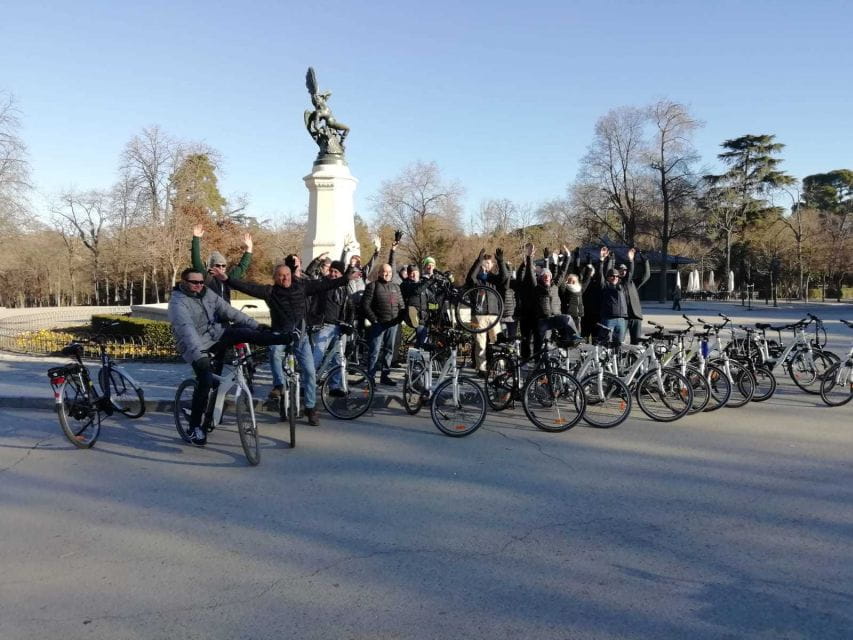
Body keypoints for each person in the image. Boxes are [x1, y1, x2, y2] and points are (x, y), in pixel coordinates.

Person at [211, 262, 357, 426]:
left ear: (291, 276)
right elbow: (248, 287)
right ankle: (279, 385)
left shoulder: (302, 287)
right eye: (280, 275)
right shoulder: (270, 291)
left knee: (309, 372)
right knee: (274, 351)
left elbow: (325, 284)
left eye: (287, 275)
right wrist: (227, 279)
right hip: (279, 335)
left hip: (300, 337)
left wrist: (346, 278)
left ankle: (310, 407)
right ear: (275, 278)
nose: (284, 278)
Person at [168, 268, 294, 446]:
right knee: (205, 382)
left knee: (242, 332)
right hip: (194, 347)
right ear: (183, 282)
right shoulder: (177, 303)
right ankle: (194, 427)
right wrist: (201, 355)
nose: (198, 285)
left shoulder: (207, 293)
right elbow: (187, 330)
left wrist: (256, 326)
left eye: (201, 282)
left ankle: (278, 338)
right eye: (194, 282)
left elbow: (229, 311)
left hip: (215, 337)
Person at [523, 244, 578, 354]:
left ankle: (574, 338)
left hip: (556, 317)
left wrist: (568, 256)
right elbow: (530, 273)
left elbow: (563, 271)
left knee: (567, 318)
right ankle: (537, 360)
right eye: (544, 276)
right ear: (541, 278)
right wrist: (529, 257)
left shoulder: (555, 285)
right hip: (544, 320)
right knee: (542, 341)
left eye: (548, 275)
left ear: (551, 277)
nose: (547, 277)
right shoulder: (537, 288)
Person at [465, 248, 507, 375]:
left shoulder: (493, 279)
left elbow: (505, 277)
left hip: (494, 315)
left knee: (497, 342)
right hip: (478, 316)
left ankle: (499, 366)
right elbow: (470, 276)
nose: (488, 264)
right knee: (480, 343)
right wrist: (478, 260)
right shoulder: (476, 280)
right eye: (485, 262)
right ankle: (481, 368)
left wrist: (501, 261)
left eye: (490, 262)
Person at [361, 263, 405, 385]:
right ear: (379, 273)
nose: (387, 274)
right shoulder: (372, 286)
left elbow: (401, 305)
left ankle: (385, 376)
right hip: (378, 324)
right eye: (385, 272)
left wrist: (399, 319)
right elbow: (365, 305)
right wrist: (374, 320)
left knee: (389, 351)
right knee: (374, 351)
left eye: (389, 272)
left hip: (393, 324)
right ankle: (370, 377)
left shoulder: (396, 287)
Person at [190, 225, 252, 302]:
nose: (221, 267)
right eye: (218, 265)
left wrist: (249, 249)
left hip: (225, 313)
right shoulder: (206, 278)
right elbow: (196, 262)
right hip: (210, 313)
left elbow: (242, 267)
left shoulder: (228, 279)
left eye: (223, 265)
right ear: (211, 266)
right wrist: (196, 238)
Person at [619, 248, 651, 345]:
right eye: (621, 270)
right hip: (623, 317)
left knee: (636, 343)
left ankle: (634, 359)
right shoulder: (617, 284)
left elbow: (646, 275)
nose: (623, 272)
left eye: (625, 270)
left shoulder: (633, 283)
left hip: (635, 316)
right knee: (620, 342)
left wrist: (645, 261)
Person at [598, 247, 630, 344]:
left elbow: (629, 274)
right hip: (608, 319)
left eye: (616, 276)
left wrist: (631, 260)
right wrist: (602, 260)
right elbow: (600, 275)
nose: (615, 277)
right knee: (604, 343)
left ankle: (617, 359)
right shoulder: (605, 286)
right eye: (612, 276)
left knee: (619, 345)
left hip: (621, 319)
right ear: (608, 278)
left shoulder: (622, 286)